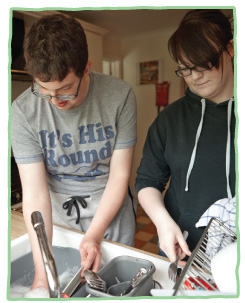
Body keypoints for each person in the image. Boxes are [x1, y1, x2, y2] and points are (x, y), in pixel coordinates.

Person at [11, 13, 137, 292]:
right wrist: (42, 275)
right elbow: (35, 193)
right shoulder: (22, 112)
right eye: (44, 91)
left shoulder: (120, 96)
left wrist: (94, 235)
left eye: (66, 90)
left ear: (86, 68)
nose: (55, 102)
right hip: (57, 224)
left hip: (111, 219)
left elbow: (119, 175)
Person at [135, 9, 235, 266]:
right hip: (180, 247)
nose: (195, 76)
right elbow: (147, 182)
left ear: (230, 48)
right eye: (185, 69)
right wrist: (163, 223)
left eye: (204, 63)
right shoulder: (169, 120)